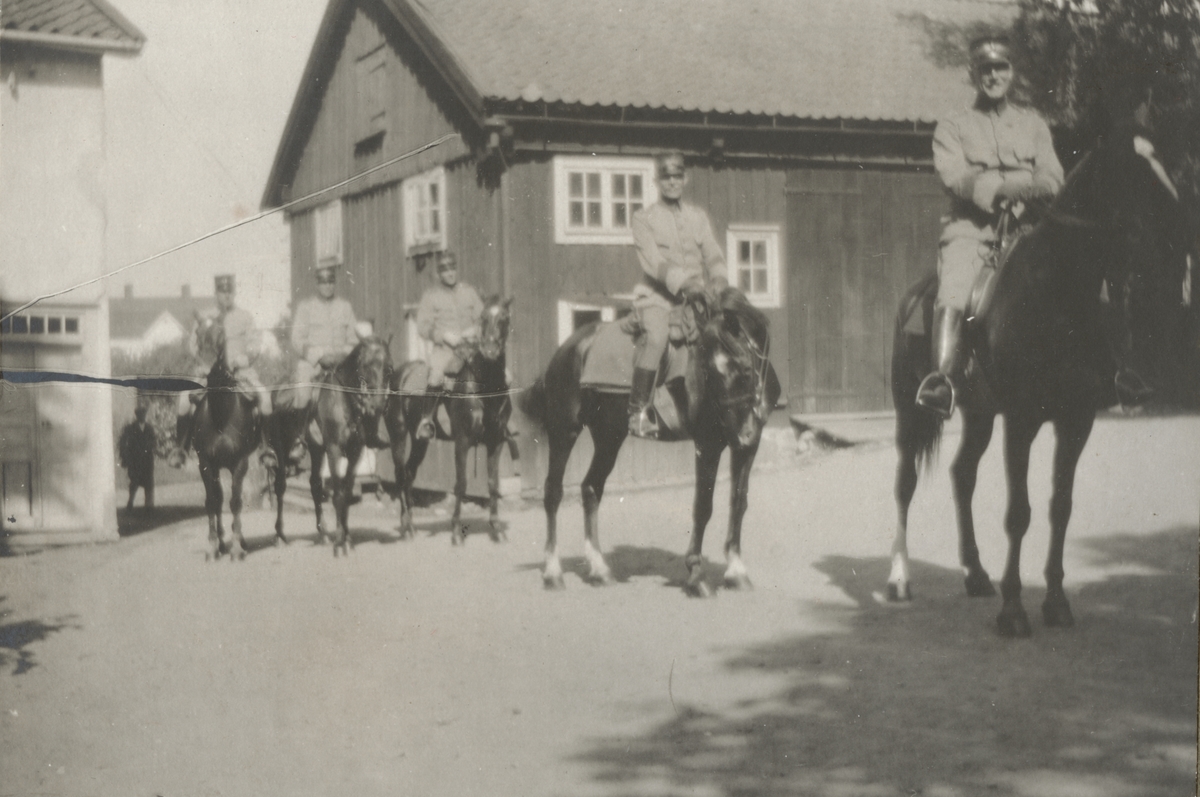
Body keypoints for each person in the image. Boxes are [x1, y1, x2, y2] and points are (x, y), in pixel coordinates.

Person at [916, 35, 1065, 418]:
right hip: (973, 229)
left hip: (1029, 226)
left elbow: (1051, 174)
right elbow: (955, 176)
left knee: (1076, 268)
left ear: (1012, 73)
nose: (994, 75)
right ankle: (942, 381)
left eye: (1001, 68)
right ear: (974, 74)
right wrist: (1000, 191)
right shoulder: (953, 126)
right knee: (953, 290)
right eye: (986, 69)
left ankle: (1111, 367)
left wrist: (1033, 191)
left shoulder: (1033, 124)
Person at [628, 150, 728, 438]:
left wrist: (719, 278)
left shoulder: (697, 217)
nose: (672, 182)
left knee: (725, 337)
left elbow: (712, 252)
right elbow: (653, 262)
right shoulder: (643, 218)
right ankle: (638, 413)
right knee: (657, 337)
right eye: (666, 177)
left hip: (697, 299)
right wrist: (686, 283)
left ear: (686, 179)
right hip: (658, 297)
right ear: (657, 181)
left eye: (677, 176)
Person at [168, 274, 275, 466]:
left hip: (240, 374)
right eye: (222, 291)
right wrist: (203, 361)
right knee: (184, 399)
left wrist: (246, 357)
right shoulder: (205, 317)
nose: (227, 295)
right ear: (216, 293)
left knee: (265, 398)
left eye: (230, 291)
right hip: (208, 373)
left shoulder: (245, 317)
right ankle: (181, 449)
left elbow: (255, 343)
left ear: (234, 293)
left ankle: (266, 449)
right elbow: (192, 345)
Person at [415, 251, 483, 438]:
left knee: (503, 375)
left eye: (452, 268)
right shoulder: (431, 297)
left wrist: (475, 331)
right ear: (439, 273)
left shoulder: (469, 292)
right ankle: (426, 421)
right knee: (436, 377)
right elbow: (422, 327)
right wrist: (444, 335)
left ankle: (506, 422)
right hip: (445, 350)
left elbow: (483, 318)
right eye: (445, 270)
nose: (450, 273)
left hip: (471, 348)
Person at [118, 406, 157, 510]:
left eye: (144, 414)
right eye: (140, 414)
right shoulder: (130, 428)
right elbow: (122, 442)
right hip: (135, 460)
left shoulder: (149, 428)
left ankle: (149, 504)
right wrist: (124, 457)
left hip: (147, 460)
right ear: (136, 415)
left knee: (149, 482)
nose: (142, 416)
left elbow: (154, 441)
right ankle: (130, 502)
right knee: (134, 482)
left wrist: (150, 447)